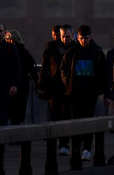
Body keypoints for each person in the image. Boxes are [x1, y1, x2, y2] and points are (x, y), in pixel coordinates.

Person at [60, 25, 107, 163]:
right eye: (81, 38)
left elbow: (103, 72)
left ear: (90, 37)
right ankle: (76, 148)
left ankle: (86, 149)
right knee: (75, 121)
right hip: (74, 93)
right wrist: (68, 82)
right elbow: (63, 69)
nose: (84, 41)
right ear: (78, 38)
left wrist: (101, 89)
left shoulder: (97, 52)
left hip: (90, 94)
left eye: (86, 38)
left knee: (88, 120)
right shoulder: (72, 51)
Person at [39, 25, 74, 155]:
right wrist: (42, 86)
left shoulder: (75, 48)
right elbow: (45, 68)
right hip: (55, 87)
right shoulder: (52, 48)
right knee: (55, 116)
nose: (65, 39)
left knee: (66, 116)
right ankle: (54, 144)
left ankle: (63, 144)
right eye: (63, 36)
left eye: (67, 36)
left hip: (69, 88)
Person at [6, 29, 38, 125]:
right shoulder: (22, 51)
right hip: (21, 85)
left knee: (15, 113)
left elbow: (31, 69)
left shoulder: (16, 51)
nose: (6, 40)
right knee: (18, 113)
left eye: (7, 38)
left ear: (13, 39)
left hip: (18, 85)